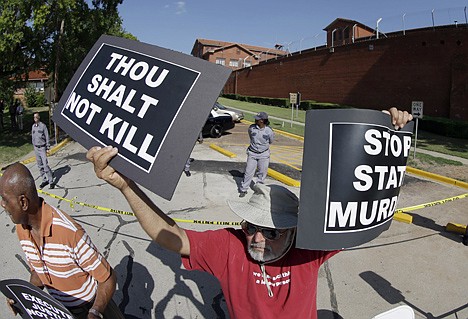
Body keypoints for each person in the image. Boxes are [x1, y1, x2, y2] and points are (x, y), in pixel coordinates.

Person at [86, 108, 412, 318]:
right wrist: (125, 185)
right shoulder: (230, 247)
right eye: (250, 226)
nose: (256, 237)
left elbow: (359, 202)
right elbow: (168, 236)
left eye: (271, 231)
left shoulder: (310, 246)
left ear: (294, 231)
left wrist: (386, 131)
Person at [0, 163, 124, 319]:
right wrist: (24, 298)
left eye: (5, 199)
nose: (2, 204)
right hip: (62, 310)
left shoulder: (69, 233)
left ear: (23, 202)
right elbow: (39, 272)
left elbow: (108, 278)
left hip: (92, 306)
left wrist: (95, 312)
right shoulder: (22, 229)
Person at [239, 111, 274, 197]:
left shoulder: (269, 131)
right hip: (252, 154)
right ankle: (244, 189)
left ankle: (259, 189)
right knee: (248, 172)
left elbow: (271, 141)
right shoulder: (251, 128)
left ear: (262, 121)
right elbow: (251, 137)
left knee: (262, 173)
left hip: (264, 155)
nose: (255, 120)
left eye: (257, 119)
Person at [31, 112, 55, 189]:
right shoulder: (33, 126)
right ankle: (44, 180)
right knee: (40, 165)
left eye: (36, 117)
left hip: (42, 147)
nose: (35, 119)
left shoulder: (43, 126)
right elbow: (33, 137)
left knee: (45, 165)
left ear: (39, 117)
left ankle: (51, 181)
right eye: (34, 117)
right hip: (36, 148)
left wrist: (47, 147)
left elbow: (47, 137)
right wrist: (34, 145)